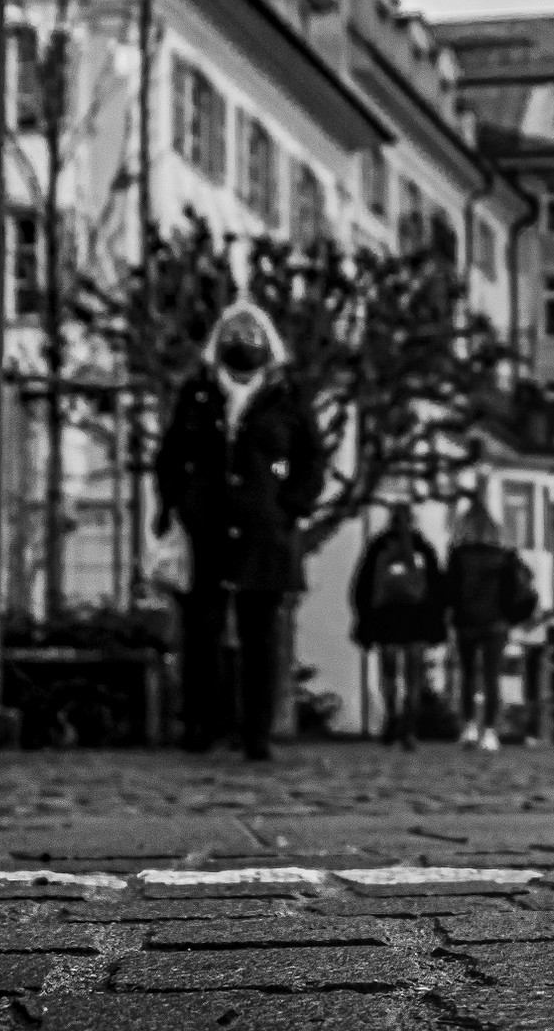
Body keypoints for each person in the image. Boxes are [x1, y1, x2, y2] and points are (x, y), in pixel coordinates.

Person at [154, 301, 322, 762]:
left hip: (264, 532)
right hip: (205, 530)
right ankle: (200, 727)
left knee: (261, 637)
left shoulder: (286, 396)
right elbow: (171, 454)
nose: (242, 340)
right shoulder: (198, 393)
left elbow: (311, 459)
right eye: (234, 332)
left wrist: (290, 507)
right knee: (201, 635)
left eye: (252, 333)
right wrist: (176, 502)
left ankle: (256, 734)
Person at [352, 503, 446, 750]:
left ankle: (392, 716)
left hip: (386, 617)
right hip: (417, 619)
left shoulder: (379, 546)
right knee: (414, 675)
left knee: (388, 671)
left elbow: (362, 585)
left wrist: (363, 618)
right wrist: (437, 621)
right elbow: (437, 586)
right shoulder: (422, 547)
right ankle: (409, 726)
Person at [442, 502, 536, 751]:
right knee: (492, 676)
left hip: (466, 622)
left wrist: (452, 613)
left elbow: (448, 591)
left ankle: (470, 727)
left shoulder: (458, 555)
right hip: (496, 622)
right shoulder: (505, 556)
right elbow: (520, 589)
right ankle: (491, 732)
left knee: (468, 675)